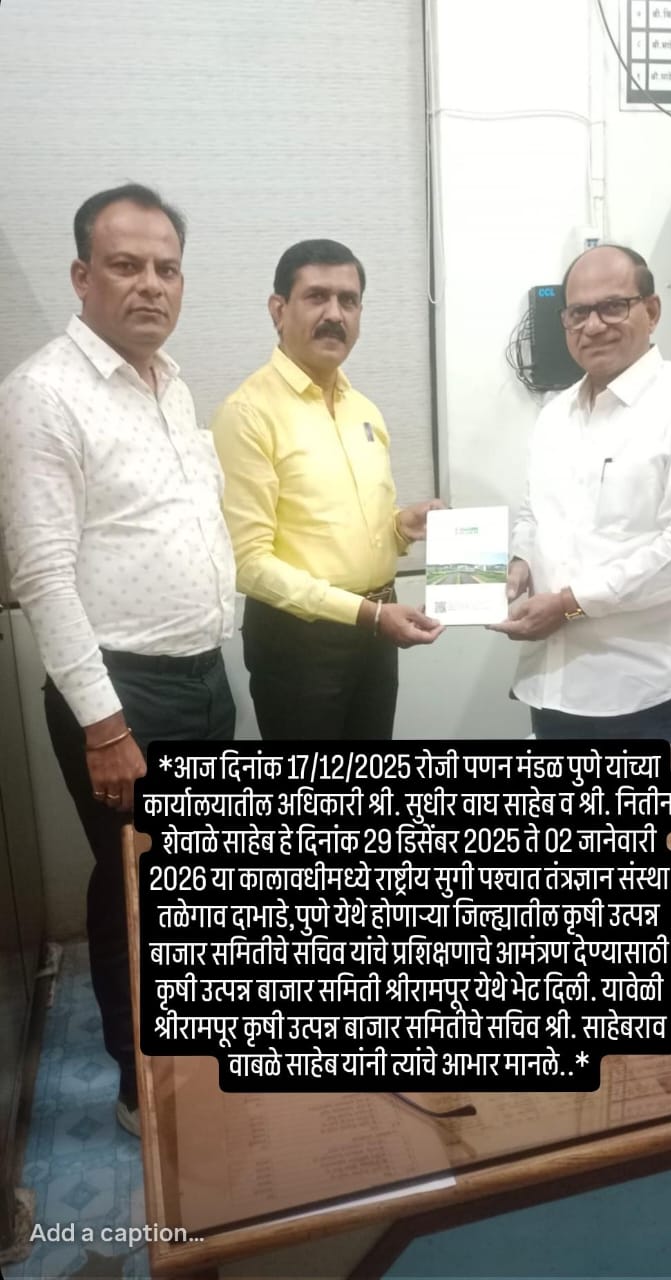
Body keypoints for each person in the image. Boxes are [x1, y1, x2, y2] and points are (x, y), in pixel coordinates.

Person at [0, 184, 237, 1136]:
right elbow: (43, 576)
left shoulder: (168, 380)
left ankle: (196, 1051)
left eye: (166, 268)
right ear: (81, 275)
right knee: (133, 891)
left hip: (201, 675)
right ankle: (144, 1087)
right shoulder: (43, 393)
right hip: (120, 693)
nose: (151, 285)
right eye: (127, 265)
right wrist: (105, 726)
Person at [493, 244, 671, 741]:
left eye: (613, 306)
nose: (593, 325)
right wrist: (520, 560)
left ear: (651, 310)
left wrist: (569, 603)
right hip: (549, 685)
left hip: (642, 696)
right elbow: (535, 512)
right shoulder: (555, 415)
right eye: (578, 312)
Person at [211, 238, 443, 740]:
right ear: (279, 310)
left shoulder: (364, 410)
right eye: (317, 296)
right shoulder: (247, 414)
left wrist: (401, 528)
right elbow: (247, 563)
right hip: (299, 643)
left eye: (349, 300)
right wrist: (366, 615)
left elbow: (342, 530)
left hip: (379, 628)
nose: (335, 314)